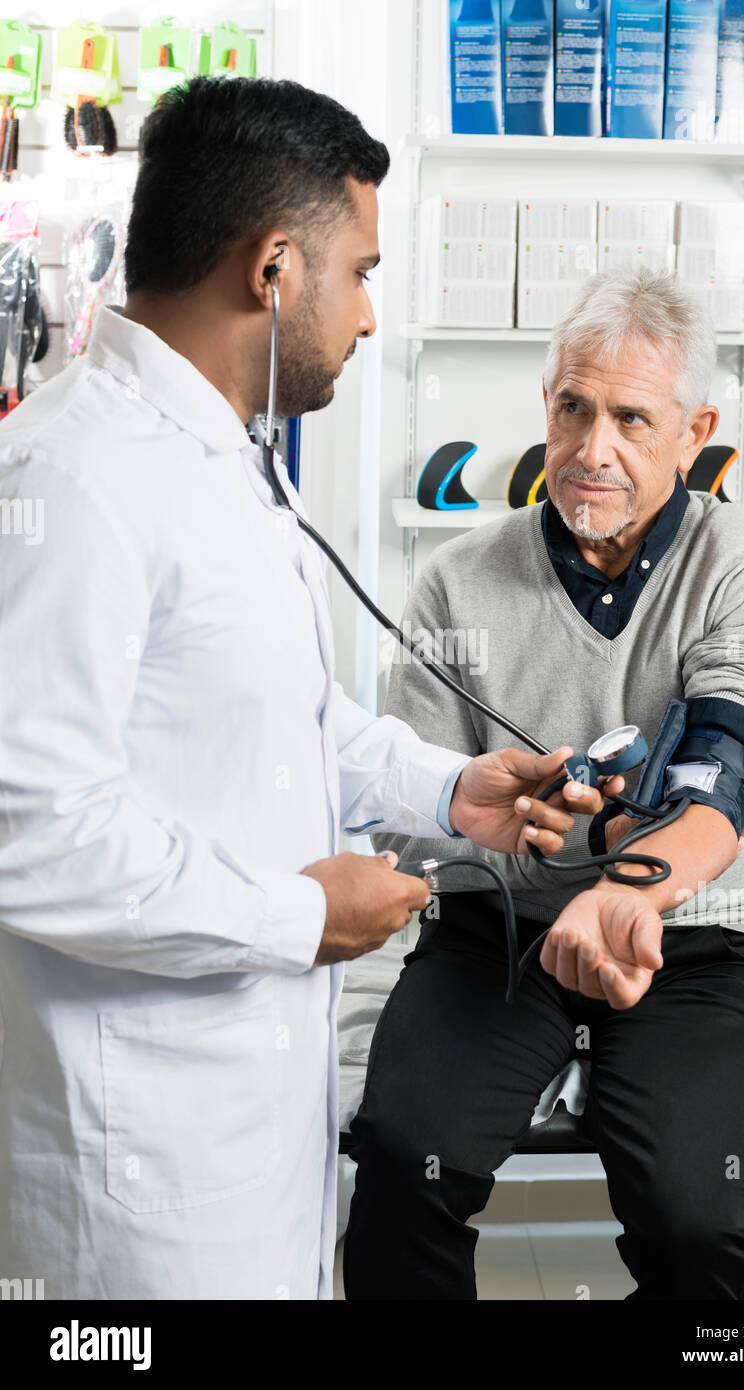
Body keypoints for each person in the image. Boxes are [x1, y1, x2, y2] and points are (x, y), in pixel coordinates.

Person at [0, 76, 598, 1301]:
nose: (369, 318)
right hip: (136, 1184)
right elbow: (29, 826)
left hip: (251, 1139)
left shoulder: (227, 459)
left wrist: (454, 790)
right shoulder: (68, 477)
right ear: (274, 268)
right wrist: (295, 916)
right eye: (361, 272)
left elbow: (284, 721)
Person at [343, 268, 744, 1301]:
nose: (592, 449)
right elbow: (407, 817)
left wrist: (631, 889)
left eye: (632, 419)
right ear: (546, 406)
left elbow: (720, 770)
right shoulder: (456, 582)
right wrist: (506, 835)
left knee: (695, 1216)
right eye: (574, 408)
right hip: (502, 936)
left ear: (694, 430)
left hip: (702, 945)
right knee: (400, 1164)